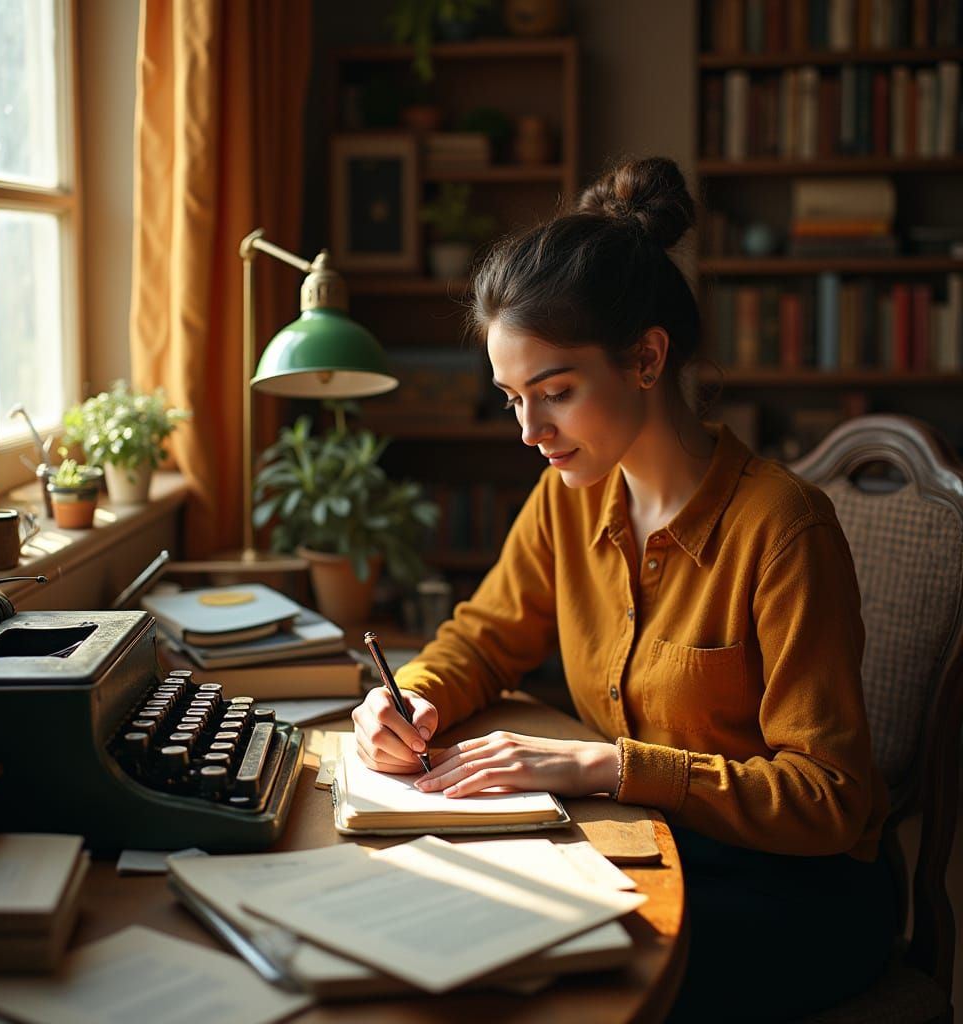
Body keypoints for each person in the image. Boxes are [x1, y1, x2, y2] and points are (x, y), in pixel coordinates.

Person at [352, 155, 897, 1022]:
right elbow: (485, 637)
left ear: (646, 358)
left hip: (796, 890)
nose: (530, 431)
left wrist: (606, 765)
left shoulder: (782, 529)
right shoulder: (569, 497)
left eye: (555, 392)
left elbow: (828, 799)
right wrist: (412, 697)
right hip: (646, 843)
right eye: (512, 399)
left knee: (537, 973)